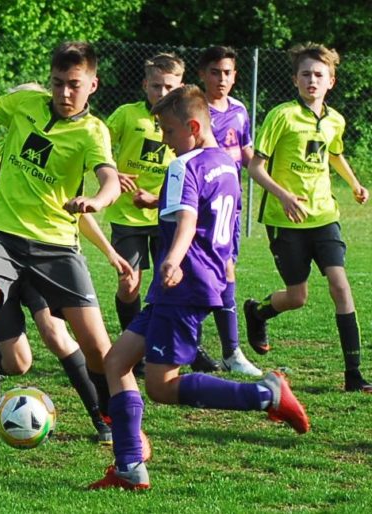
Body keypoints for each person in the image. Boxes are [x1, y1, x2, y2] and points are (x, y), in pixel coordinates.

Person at [89, 85, 310, 491]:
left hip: (181, 284)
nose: (166, 142)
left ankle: (265, 395)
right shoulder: (227, 164)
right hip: (202, 279)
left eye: (169, 132)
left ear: (192, 126)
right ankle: (129, 468)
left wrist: (171, 259)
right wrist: (157, 203)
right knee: (117, 361)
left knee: (162, 386)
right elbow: (213, 215)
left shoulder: (183, 165)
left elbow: (189, 221)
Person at [0, 41, 122, 473]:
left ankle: (117, 423)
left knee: (96, 345)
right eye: (58, 83)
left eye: (74, 85)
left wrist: (96, 200)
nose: (64, 93)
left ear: (93, 83)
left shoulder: (93, 131)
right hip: (2, 238)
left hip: (56, 247)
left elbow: (109, 179)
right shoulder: (24, 104)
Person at [0, 134, 137, 445]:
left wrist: (108, 251)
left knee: (57, 335)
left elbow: (72, 213)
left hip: (39, 265)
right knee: (19, 363)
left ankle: (102, 420)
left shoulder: (50, 158)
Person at [243, 43, 371, 393]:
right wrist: (283, 194)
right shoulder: (281, 115)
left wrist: (356, 183)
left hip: (324, 215)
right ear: (295, 80)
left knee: (340, 285)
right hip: (285, 220)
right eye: (305, 74)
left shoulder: (335, 120)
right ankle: (258, 312)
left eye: (319, 74)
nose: (312, 80)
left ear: (331, 80)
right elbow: (255, 166)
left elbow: (335, 155)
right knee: (298, 297)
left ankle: (354, 375)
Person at [104, 53, 217, 373]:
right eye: (156, 85)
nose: (162, 92)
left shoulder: (185, 124)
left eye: (169, 86)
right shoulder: (126, 115)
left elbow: (195, 172)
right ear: (145, 84)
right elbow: (98, 146)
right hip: (128, 216)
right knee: (130, 284)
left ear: (180, 87)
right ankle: (135, 349)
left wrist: (158, 199)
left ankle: (191, 348)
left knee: (178, 283)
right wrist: (112, 172)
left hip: (169, 215)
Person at [195, 45, 262, 376]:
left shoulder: (238, 109)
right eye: (215, 72)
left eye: (228, 72)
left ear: (236, 76)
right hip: (201, 207)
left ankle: (227, 352)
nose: (222, 78)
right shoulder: (194, 109)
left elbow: (246, 153)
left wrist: (274, 181)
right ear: (202, 74)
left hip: (229, 209)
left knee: (223, 273)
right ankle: (224, 350)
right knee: (208, 275)